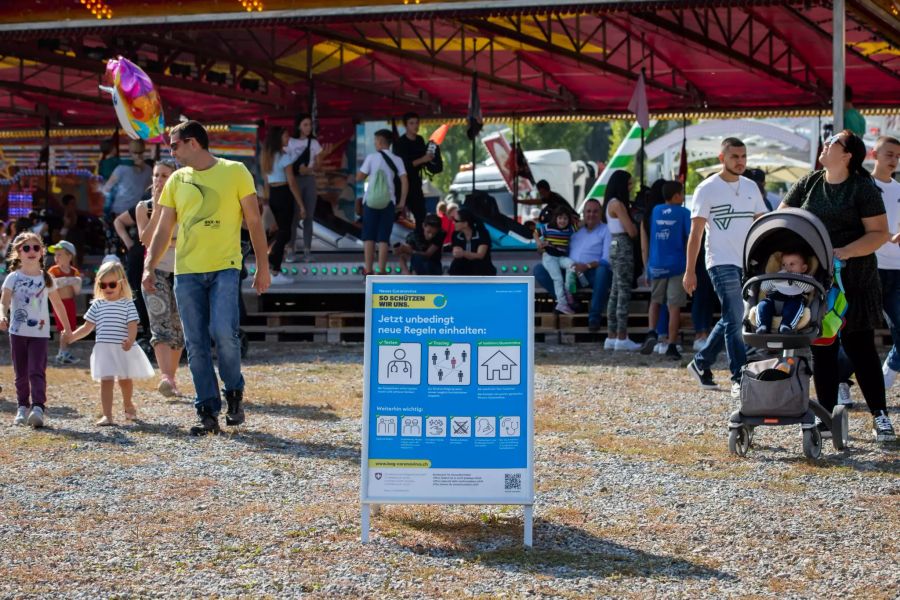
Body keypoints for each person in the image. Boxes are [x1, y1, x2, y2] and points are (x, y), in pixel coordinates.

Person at [143, 120, 271, 436]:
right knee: (195, 343)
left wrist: (262, 267)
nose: (170, 151)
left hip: (225, 267)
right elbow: (162, 230)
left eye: (174, 145)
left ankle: (234, 392)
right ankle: (207, 411)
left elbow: (254, 222)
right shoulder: (176, 180)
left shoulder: (236, 171)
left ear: (193, 143)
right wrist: (149, 266)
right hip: (185, 272)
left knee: (225, 334)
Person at [780, 129, 895, 442]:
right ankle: (827, 416)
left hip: (854, 279)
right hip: (816, 280)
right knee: (823, 348)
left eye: (834, 143)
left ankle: (880, 417)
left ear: (847, 156)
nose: (826, 145)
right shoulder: (810, 182)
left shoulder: (862, 187)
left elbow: (879, 233)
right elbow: (783, 216)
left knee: (860, 347)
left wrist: (843, 251)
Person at [685, 138, 767, 397]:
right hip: (720, 262)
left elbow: (762, 226)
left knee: (733, 318)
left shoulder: (752, 186)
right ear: (722, 158)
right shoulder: (706, 189)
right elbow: (696, 233)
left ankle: (701, 362)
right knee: (735, 319)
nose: (740, 161)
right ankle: (739, 376)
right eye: (734, 156)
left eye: (743, 156)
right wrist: (689, 271)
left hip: (747, 264)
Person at [67, 261, 154, 426]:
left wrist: (130, 339)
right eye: (103, 284)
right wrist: (72, 336)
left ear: (121, 284)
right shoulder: (97, 305)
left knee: (125, 380)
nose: (107, 288)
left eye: (112, 284)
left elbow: (132, 325)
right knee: (106, 381)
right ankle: (107, 415)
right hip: (104, 350)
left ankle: (128, 405)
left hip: (122, 349)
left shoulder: (127, 304)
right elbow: (87, 327)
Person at [0, 232, 72, 428]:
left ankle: (38, 407)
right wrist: (2, 316)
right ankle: (22, 407)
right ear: (18, 253)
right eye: (26, 248)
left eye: (36, 247)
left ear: (41, 252)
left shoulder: (46, 278)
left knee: (36, 371)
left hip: (39, 334)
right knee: (20, 372)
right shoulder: (13, 278)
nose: (31, 251)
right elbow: (4, 301)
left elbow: (58, 305)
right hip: (17, 332)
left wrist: (67, 329)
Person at [135, 159, 185, 397]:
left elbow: (186, 238)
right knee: (159, 325)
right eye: (156, 175)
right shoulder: (143, 207)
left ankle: (171, 378)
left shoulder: (184, 204)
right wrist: (156, 209)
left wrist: (167, 240)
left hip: (184, 271)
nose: (159, 180)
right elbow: (146, 239)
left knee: (179, 328)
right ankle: (165, 376)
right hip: (155, 270)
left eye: (165, 175)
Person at [533, 198, 612, 331]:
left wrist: (586, 266)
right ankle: (570, 302)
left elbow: (607, 260)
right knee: (539, 270)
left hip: (590, 273)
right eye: (588, 211)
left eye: (595, 211)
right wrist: (543, 247)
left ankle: (594, 317)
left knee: (603, 270)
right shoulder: (574, 230)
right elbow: (559, 249)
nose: (591, 214)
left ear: (600, 213)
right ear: (583, 214)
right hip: (570, 271)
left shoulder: (606, 230)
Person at [642, 181, 690, 359]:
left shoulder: (655, 211)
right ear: (677, 195)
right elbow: (690, 237)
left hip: (656, 264)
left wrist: (647, 267)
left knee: (655, 301)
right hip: (676, 265)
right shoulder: (684, 213)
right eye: (682, 193)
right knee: (673, 306)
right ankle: (671, 343)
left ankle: (651, 332)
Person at [357, 128, 407, 275]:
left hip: (371, 202)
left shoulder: (371, 158)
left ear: (379, 141)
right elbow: (404, 180)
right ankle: (382, 270)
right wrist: (402, 201)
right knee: (383, 238)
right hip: (389, 202)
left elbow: (360, 177)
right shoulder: (397, 160)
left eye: (375, 141)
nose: (374, 144)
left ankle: (368, 270)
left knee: (369, 237)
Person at [603, 170, 641, 351]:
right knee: (623, 291)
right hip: (624, 245)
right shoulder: (618, 204)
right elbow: (631, 231)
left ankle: (611, 335)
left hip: (614, 244)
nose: (631, 187)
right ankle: (622, 336)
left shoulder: (610, 203)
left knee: (615, 291)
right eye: (628, 184)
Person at [261, 125, 304, 285]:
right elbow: (292, 182)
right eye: (286, 136)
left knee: (278, 231)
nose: (288, 139)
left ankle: (272, 266)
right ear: (278, 139)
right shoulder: (284, 157)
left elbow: (266, 181)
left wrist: (267, 198)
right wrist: (301, 204)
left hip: (273, 194)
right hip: (284, 193)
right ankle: (274, 268)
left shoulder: (267, 156)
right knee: (285, 232)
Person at [873, 136, 900, 390]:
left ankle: (885, 378)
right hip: (869, 269)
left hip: (897, 270)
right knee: (855, 332)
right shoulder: (863, 186)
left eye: (897, 156)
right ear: (874, 154)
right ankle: (841, 381)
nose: (894, 160)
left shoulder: (899, 189)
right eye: (889, 154)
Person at [286, 113, 322, 262]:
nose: (308, 127)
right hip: (294, 180)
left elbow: (319, 165)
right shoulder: (290, 142)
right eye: (305, 124)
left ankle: (307, 250)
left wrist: (310, 170)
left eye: (310, 125)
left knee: (308, 215)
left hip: (309, 180)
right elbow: (284, 162)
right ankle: (290, 249)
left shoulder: (314, 143)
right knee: (293, 216)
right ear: (299, 126)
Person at [754, 251, 814, 334]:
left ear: (803, 268)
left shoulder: (806, 278)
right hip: (773, 301)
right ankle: (763, 325)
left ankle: (786, 325)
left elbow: (809, 288)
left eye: (792, 264)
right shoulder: (777, 276)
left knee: (795, 305)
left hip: (793, 301)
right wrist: (774, 278)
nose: (787, 268)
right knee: (763, 304)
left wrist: (794, 277)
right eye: (784, 264)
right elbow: (764, 288)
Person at [392, 112, 432, 230]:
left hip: (415, 183)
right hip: (401, 184)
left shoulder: (419, 140)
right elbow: (404, 166)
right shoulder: (400, 143)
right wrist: (422, 159)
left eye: (417, 123)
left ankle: (420, 240)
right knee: (396, 213)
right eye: (412, 123)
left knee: (421, 215)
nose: (415, 126)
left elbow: (422, 160)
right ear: (406, 125)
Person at [537, 205, 579, 315]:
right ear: (555, 218)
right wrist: (539, 243)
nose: (562, 221)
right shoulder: (547, 227)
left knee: (572, 265)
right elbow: (535, 232)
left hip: (560, 257)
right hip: (549, 257)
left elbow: (581, 224)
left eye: (565, 218)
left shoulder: (570, 229)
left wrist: (576, 219)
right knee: (558, 279)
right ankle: (562, 303)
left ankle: (568, 292)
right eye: (560, 218)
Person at [47, 240, 82, 365]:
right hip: (58, 304)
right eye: (55, 254)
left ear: (69, 256)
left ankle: (64, 352)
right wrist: (68, 280)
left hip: (70, 303)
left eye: (60, 254)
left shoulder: (73, 271)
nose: (56, 257)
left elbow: (77, 290)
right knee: (63, 328)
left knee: (70, 328)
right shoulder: (53, 271)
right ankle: (62, 352)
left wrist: (74, 281)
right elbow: (51, 284)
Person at [102, 139, 152, 218]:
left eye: (139, 153)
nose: (138, 156)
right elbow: (149, 191)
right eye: (136, 153)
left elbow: (106, 188)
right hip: (137, 211)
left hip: (122, 210)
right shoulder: (149, 170)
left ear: (130, 152)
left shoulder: (121, 168)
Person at [449, 208, 496, 275]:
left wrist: (463, 253)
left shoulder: (482, 233)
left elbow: (480, 255)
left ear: (465, 223)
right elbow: (456, 252)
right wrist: (458, 252)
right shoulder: (456, 234)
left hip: (481, 271)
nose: (453, 222)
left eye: (456, 221)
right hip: (461, 270)